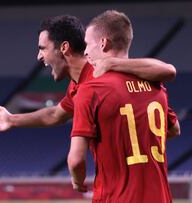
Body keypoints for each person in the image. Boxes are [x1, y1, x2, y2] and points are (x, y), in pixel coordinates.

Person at [0, 14, 176, 135]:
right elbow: (55, 114)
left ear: (63, 48)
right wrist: (12, 120)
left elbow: (167, 71)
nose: (39, 56)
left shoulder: (102, 74)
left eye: (43, 48)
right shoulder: (78, 84)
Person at [68, 10, 180, 202]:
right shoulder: (156, 86)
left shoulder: (90, 89)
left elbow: (76, 159)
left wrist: (77, 180)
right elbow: (174, 129)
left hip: (116, 197)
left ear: (103, 43)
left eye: (87, 44)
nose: (85, 52)